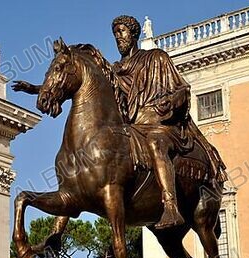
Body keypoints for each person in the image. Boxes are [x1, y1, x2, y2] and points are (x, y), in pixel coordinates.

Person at [12, 15, 226, 229]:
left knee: (155, 143)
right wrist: (36, 89)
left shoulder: (156, 58)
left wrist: (170, 101)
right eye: (115, 33)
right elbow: (71, 82)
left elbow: (182, 89)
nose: (118, 37)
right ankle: (58, 230)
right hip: (133, 127)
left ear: (133, 34)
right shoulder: (114, 71)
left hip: (158, 124)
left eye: (122, 32)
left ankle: (170, 206)